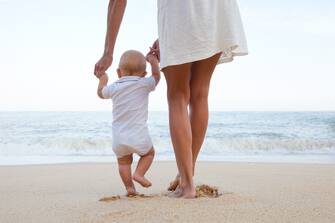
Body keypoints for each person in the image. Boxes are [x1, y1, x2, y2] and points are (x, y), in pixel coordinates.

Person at [95, 0, 248, 198]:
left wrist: (108, 53)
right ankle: (187, 174)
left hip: (179, 10)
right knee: (200, 93)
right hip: (216, 9)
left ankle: (187, 185)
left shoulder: (117, 86)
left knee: (178, 96)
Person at [96, 50, 160, 196]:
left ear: (119, 72)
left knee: (124, 163)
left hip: (119, 138)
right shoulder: (144, 83)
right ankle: (139, 174)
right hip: (138, 135)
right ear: (144, 74)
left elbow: (101, 93)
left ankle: (129, 188)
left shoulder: (114, 87)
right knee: (149, 153)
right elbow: (156, 76)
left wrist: (103, 79)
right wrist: (154, 61)